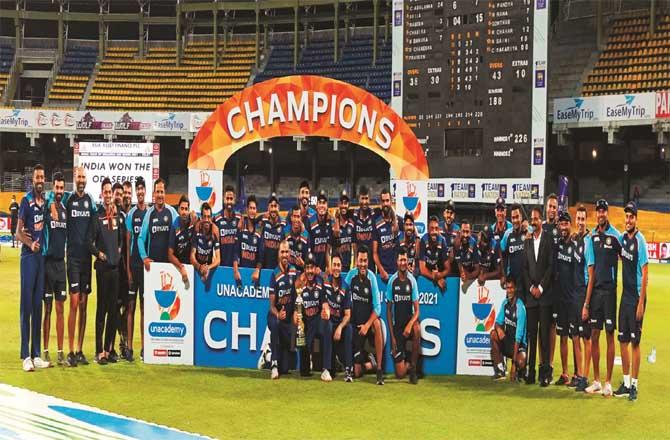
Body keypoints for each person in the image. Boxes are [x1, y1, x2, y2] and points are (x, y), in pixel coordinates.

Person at [582, 199, 623, 396]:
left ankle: (608, 382)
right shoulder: (591, 237)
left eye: (603, 211)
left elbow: (627, 259)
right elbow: (590, 269)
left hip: (610, 292)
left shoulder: (616, 237)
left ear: (607, 213)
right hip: (596, 292)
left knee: (609, 334)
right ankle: (597, 380)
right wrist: (587, 302)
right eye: (598, 212)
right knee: (595, 335)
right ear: (595, 214)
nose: (600, 214)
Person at [138, 178, 178, 360]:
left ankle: (165, 346)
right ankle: (146, 347)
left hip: (169, 270)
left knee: (168, 309)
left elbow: (181, 232)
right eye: (157, 192)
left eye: (162, 192)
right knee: (149, 308)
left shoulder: (172, 213)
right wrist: (144, 257)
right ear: (153, 194)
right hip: (152, 271)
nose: (160, 195)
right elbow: (140, 238)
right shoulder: (149, 215)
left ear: (165, 193)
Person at [612, 201, 648, 401]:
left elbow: (645, 273)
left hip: (636, 297)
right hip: (624, 297)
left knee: (635, 342)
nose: (628, 219)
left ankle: (634, 385)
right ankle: (625, 383)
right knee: (623, 340)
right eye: (626, 216)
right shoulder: (623, 239)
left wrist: (641, 303)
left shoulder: (640, 241)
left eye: (631, 216)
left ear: (636, 218)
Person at [16, 164, 50, 371]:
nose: (40, 180)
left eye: (42, 177)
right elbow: (18, 232)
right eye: (37, 177)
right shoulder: (25, 201)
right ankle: (25, 356)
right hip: (28, 258)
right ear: (32, 179)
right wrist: (31, 244)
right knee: (26, 306)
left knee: (38, 306)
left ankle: (36, 353)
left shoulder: (44, 202)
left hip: (41, 260)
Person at [88, 178, 124, 365]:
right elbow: (89, 242)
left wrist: (117, 251)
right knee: (101, 310)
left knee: (113, 310)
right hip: (102, 270)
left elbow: (120, 240)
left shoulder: (117, 216)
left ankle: (109, 350)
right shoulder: (97, 216)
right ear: (102, 194)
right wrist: (100, 254)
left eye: (110, 192)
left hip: (115, 270)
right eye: (106, 192)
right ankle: (98, 351)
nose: (109, 195)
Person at [66, 166, 97, 367]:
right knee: (75, 303)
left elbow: (97, 221)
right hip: (74, 259)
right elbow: (55, 204)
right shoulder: (69, 200)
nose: (81, 179)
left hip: (87, 260)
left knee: (84, 305)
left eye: (84, 176)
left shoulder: (90, 201)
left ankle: (79, 349)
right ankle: (70, 351)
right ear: (74, 178)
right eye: (78, 176)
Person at [521, 206, 554, 386]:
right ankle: (531, 372)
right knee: (532, 336)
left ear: (540, 220)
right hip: (531, 297)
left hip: (545, 295)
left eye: (536, 219)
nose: (533, 222)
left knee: (544, 337)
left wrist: (540, 287)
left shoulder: (548, 239)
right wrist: (531, 287)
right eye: (532, 219)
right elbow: (525, 269)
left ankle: (545, 374)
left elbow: (551, 266)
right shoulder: (527, 241)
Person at [345, 245, 385, 385]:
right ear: (356, 261)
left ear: (368, 262)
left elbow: (378, 308)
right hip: (355, 326)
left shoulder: (372, 278)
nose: (363, 264)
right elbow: (344, 297)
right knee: (357, 372)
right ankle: (370, 363)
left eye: (365, 261)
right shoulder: (351, 276)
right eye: (360, 261)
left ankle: (379, 369)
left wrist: (367, 325)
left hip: (367, 325)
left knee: (377, 323)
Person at [41, 172, 68, 366]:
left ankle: (60, 352)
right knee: (47, 309)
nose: (59, 191)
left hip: (61, 265)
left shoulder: (65, 210)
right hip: (47, 264)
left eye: (61, 188)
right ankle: (45, 351)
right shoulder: (46, 208)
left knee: (60, 309)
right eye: (56, 188)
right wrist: (50, 202)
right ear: (53, 188)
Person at [295, 254, 333, 381]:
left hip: (317, 321)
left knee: (328, 325)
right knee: (304, 373)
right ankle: (305, 366)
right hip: (306, 323)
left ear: (315, 269)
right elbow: (297, 309)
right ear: (304, 270)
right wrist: (297, 318)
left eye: (312, 268)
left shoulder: (320, 284)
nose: (310, 271)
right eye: (307, 268)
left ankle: (326, 369)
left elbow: (325, 303)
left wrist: (326, 310)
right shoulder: (300, 286)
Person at [385, 248, 420, 384]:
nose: (403, 262)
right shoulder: (392, 281)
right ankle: (408, 363)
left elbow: (417, 311)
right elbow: (388, 311)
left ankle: (413, 370)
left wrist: (410, 325)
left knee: (417, 329)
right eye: (401, 260)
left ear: (407, 261)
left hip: (409, 325)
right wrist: (393, 337)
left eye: (405, 259)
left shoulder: (412, 281)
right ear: (397, 262)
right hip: (397, 328)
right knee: (399, 374)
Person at [571, 205, 594, 392]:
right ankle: (579, 375)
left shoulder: (589, 242)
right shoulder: (574, 239)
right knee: (575, 337)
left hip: (584, 293)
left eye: (582, 219)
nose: (579, 222)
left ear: (587, 220)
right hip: (574, 294)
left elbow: (591, 273)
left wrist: (587, 303)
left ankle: (585, 376)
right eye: (577, 219)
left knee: (586, 337)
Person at [267, 240, 298, 379]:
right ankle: (273, 363)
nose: (285, 255)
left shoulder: (294, 271)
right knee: (275, 323)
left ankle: (273, 354)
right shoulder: (274, 275)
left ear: (290, 253)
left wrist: (296, 312)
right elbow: (272, 306)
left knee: (285, 368)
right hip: (276, 316)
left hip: (288, 321)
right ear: (278, 254)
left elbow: (298, 296)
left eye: (287, 252)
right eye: (282, 252)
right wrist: (278, 314)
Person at [125, 177, 148, 363]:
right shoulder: (131, 214)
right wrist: (128, 270)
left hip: (146, 269)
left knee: (144, 308)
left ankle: (144, 348)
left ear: (145, 191)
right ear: (135, 192)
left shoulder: (150, 213)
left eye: (142, 189)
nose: (139, 192)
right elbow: (127, 244)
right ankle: (129, 347)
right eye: (137, 189)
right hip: (133, 266)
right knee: (131, 307)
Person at [554, 211, 577, 386]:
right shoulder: (557, 244)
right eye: (560, 224)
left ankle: (578, 373)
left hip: (573, 299)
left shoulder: (576, 244)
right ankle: (565, 373)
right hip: (560, 299)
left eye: (565, 224)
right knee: (562, 336)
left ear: (570, 225)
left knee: (574, 336)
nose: (563, 227)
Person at [323, 254, 353, 382]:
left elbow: (348, 315)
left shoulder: (346, 287)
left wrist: (340, 327)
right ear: (330, 266)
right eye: (334, 265)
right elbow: (323, 304)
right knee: (328, 324)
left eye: (338, 265)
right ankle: (326, 369)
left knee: (349, 329)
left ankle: (348, 370)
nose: (336, 268)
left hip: (339, 323)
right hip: (326, 322)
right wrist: (325, 310)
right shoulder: (325, 282)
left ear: (341, 268)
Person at [490, 277, 527, 382]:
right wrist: (499, 329)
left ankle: (521, 371)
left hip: (518, 346)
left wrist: (513, 365)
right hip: (508, 341)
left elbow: (518, 338)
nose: (509, 290)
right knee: (493, 334)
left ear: (515, 289)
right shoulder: (505, 303)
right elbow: (497, 322)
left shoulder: (520, 308)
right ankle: (500, 371)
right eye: (507, 288)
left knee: (520, 362)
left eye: (511, 288)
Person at [543, 194, 561, 379]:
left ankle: (550, 363)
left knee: (553, 326)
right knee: (542, 325)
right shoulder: (540, 228)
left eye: (555, 207)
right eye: (550, 206)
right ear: (546, 208)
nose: (552, 209)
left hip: (556, 285)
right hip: (542, 284)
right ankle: (542, 364)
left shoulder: (560, 229)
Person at [233, 195, 263, 286]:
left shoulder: (259, 230)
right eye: (250, 208)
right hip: (241, 273)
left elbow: (260, 255)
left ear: (256, 211)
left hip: (254, 275)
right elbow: (236, 252)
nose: (252, 211)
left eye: (254, 208)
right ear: (247, 209)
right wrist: (235, 270)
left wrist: (257, 270)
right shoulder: (241, 227)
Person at [190, 202, 220, 287]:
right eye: (204, 217)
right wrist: (199, 267)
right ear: (201, 218)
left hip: (209, 266)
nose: (207, 220)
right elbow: (192, 256)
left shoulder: (215, 231)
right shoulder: (197, 228)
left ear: (211, 218)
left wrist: (208, 268)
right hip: (197, 267)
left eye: (209, 217)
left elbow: (218, 259)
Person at [372, 188, 399, 282]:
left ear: (391, 201)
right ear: (380, 202)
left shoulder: (398, 221)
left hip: (397, 273)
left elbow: (412, 231)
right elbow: (374, 253)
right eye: (383, 201)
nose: (385, 204)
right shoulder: (377, 223)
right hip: (383, 274)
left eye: (387, 200)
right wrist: (381, 270)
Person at [168, 195, 195, 285]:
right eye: (182, 209)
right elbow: (170, 255)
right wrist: (181, 267)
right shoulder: (174, 226)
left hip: (192, 267)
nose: (184, 212)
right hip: (178, 268)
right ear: (178, 210)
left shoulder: (193, 221)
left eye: (186, 209)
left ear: (189, 210)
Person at [419, 216, 450, 292]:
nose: (434, 231)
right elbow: (422, 269)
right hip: (427, 277)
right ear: (428, 229)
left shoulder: (442, 241)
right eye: (432, 228)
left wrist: (439, 275)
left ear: (439, 229)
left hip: (439, 274)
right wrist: (435, 278)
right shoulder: (423, 240)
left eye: (436, 228)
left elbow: (448, 268)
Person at [500, 204, 526, 289]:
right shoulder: (507, 234)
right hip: (513, 281)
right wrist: (503, 274)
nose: (515, 220)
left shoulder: (529, 231)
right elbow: (501, 251)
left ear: (521, 217)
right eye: (513, 218)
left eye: (517, 217)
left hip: (527, 281)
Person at [214, 185, 241, 268]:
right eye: (227, 199)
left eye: (231, 199)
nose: (229, 201)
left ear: (235, 200)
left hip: (236, 266)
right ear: (223, 199)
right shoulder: (216, 219)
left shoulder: (239, 218)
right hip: (220, 266)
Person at [307, 191, 333, 273]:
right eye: (320, 203)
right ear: (316, 206)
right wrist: (313, 266)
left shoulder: (331, 222)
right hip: (312, 268)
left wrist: (329, 266)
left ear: (327, 206)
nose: (322, 205)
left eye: (324, 203)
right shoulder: (310, 222)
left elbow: (328, 249)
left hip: (325, 270)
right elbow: (307, 248)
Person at [259, 193, 285, 269]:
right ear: (268, 208)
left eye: (275, 206)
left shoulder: (284, 224)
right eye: (271, 206)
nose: (273, 209)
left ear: (279, 208)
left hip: (278, 269)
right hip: (264, 268)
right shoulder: (263, 222)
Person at [352, 185, 376, 265]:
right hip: (359, 261)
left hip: (371, 263)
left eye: (366, 198)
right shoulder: (354, 215)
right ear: (358, 199)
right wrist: (355, 260)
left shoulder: (374, 214)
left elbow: (389, 209)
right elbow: (354, 241)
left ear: (369, 199)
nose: (364, 202)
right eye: (362, 198)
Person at [332, 191, 355, 271]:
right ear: (338, 204)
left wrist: (354, 267)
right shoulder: (333, 225)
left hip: (348, 267)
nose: (343, 206)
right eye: (341, 203)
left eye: (345, 203)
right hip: (336, 267)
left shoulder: (352, 224)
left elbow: (354, 247)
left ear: (348, 205)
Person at [455, 219, 479, 291]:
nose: (465, 235)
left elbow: (477, 268)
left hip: (470, 274)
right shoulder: (457, 243)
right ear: (460, 232)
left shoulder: (474, 243)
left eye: (467, 232)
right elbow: (458, 263)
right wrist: (462, 273)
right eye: (463, 232)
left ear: (470, 232)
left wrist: (468, 277)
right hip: (457, 275)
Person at [285, 205, 309, 271]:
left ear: (301, 218)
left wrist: (303, 264)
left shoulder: (306, 236)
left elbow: (309, 264)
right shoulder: (285, 232)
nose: (296, 219)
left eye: (298, 217)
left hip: (302, 274)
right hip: (288, 273)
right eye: (294, 216)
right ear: (291, 217)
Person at [441, 200, 460, 277]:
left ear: (454, 215)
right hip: (440, 267)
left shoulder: (458, 230)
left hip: (454, 269)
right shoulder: (437, 228)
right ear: (444, 214)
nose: (449, 215)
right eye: (447, 212)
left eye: (451, 213)